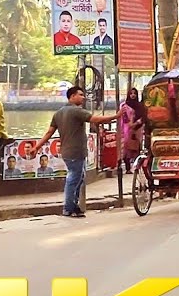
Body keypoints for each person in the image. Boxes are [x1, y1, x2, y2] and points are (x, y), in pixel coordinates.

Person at [34, 87, 118, 218]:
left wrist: (37, 147)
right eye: (80, 95)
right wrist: (116, 116)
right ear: (72, 96)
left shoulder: (59, 113)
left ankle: (74, 206)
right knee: (73, 179)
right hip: (75, 151)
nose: (83, 97)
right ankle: (69, 208)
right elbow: (96, 119)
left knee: (78, 178)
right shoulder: (76, 111)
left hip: (68, 152)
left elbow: (49, 133)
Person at [118, 87, 147, 174]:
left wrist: (138, 123)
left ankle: (136, 168)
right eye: (131, 93)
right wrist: (131, 125)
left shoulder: (140, 105)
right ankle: (127, 168)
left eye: (134, 93)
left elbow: (143, 116)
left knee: (136, 147)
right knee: (126, 148)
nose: (133, 95)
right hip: (127, 129)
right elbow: (124, 117)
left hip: (138, 128)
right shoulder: (124, 105)